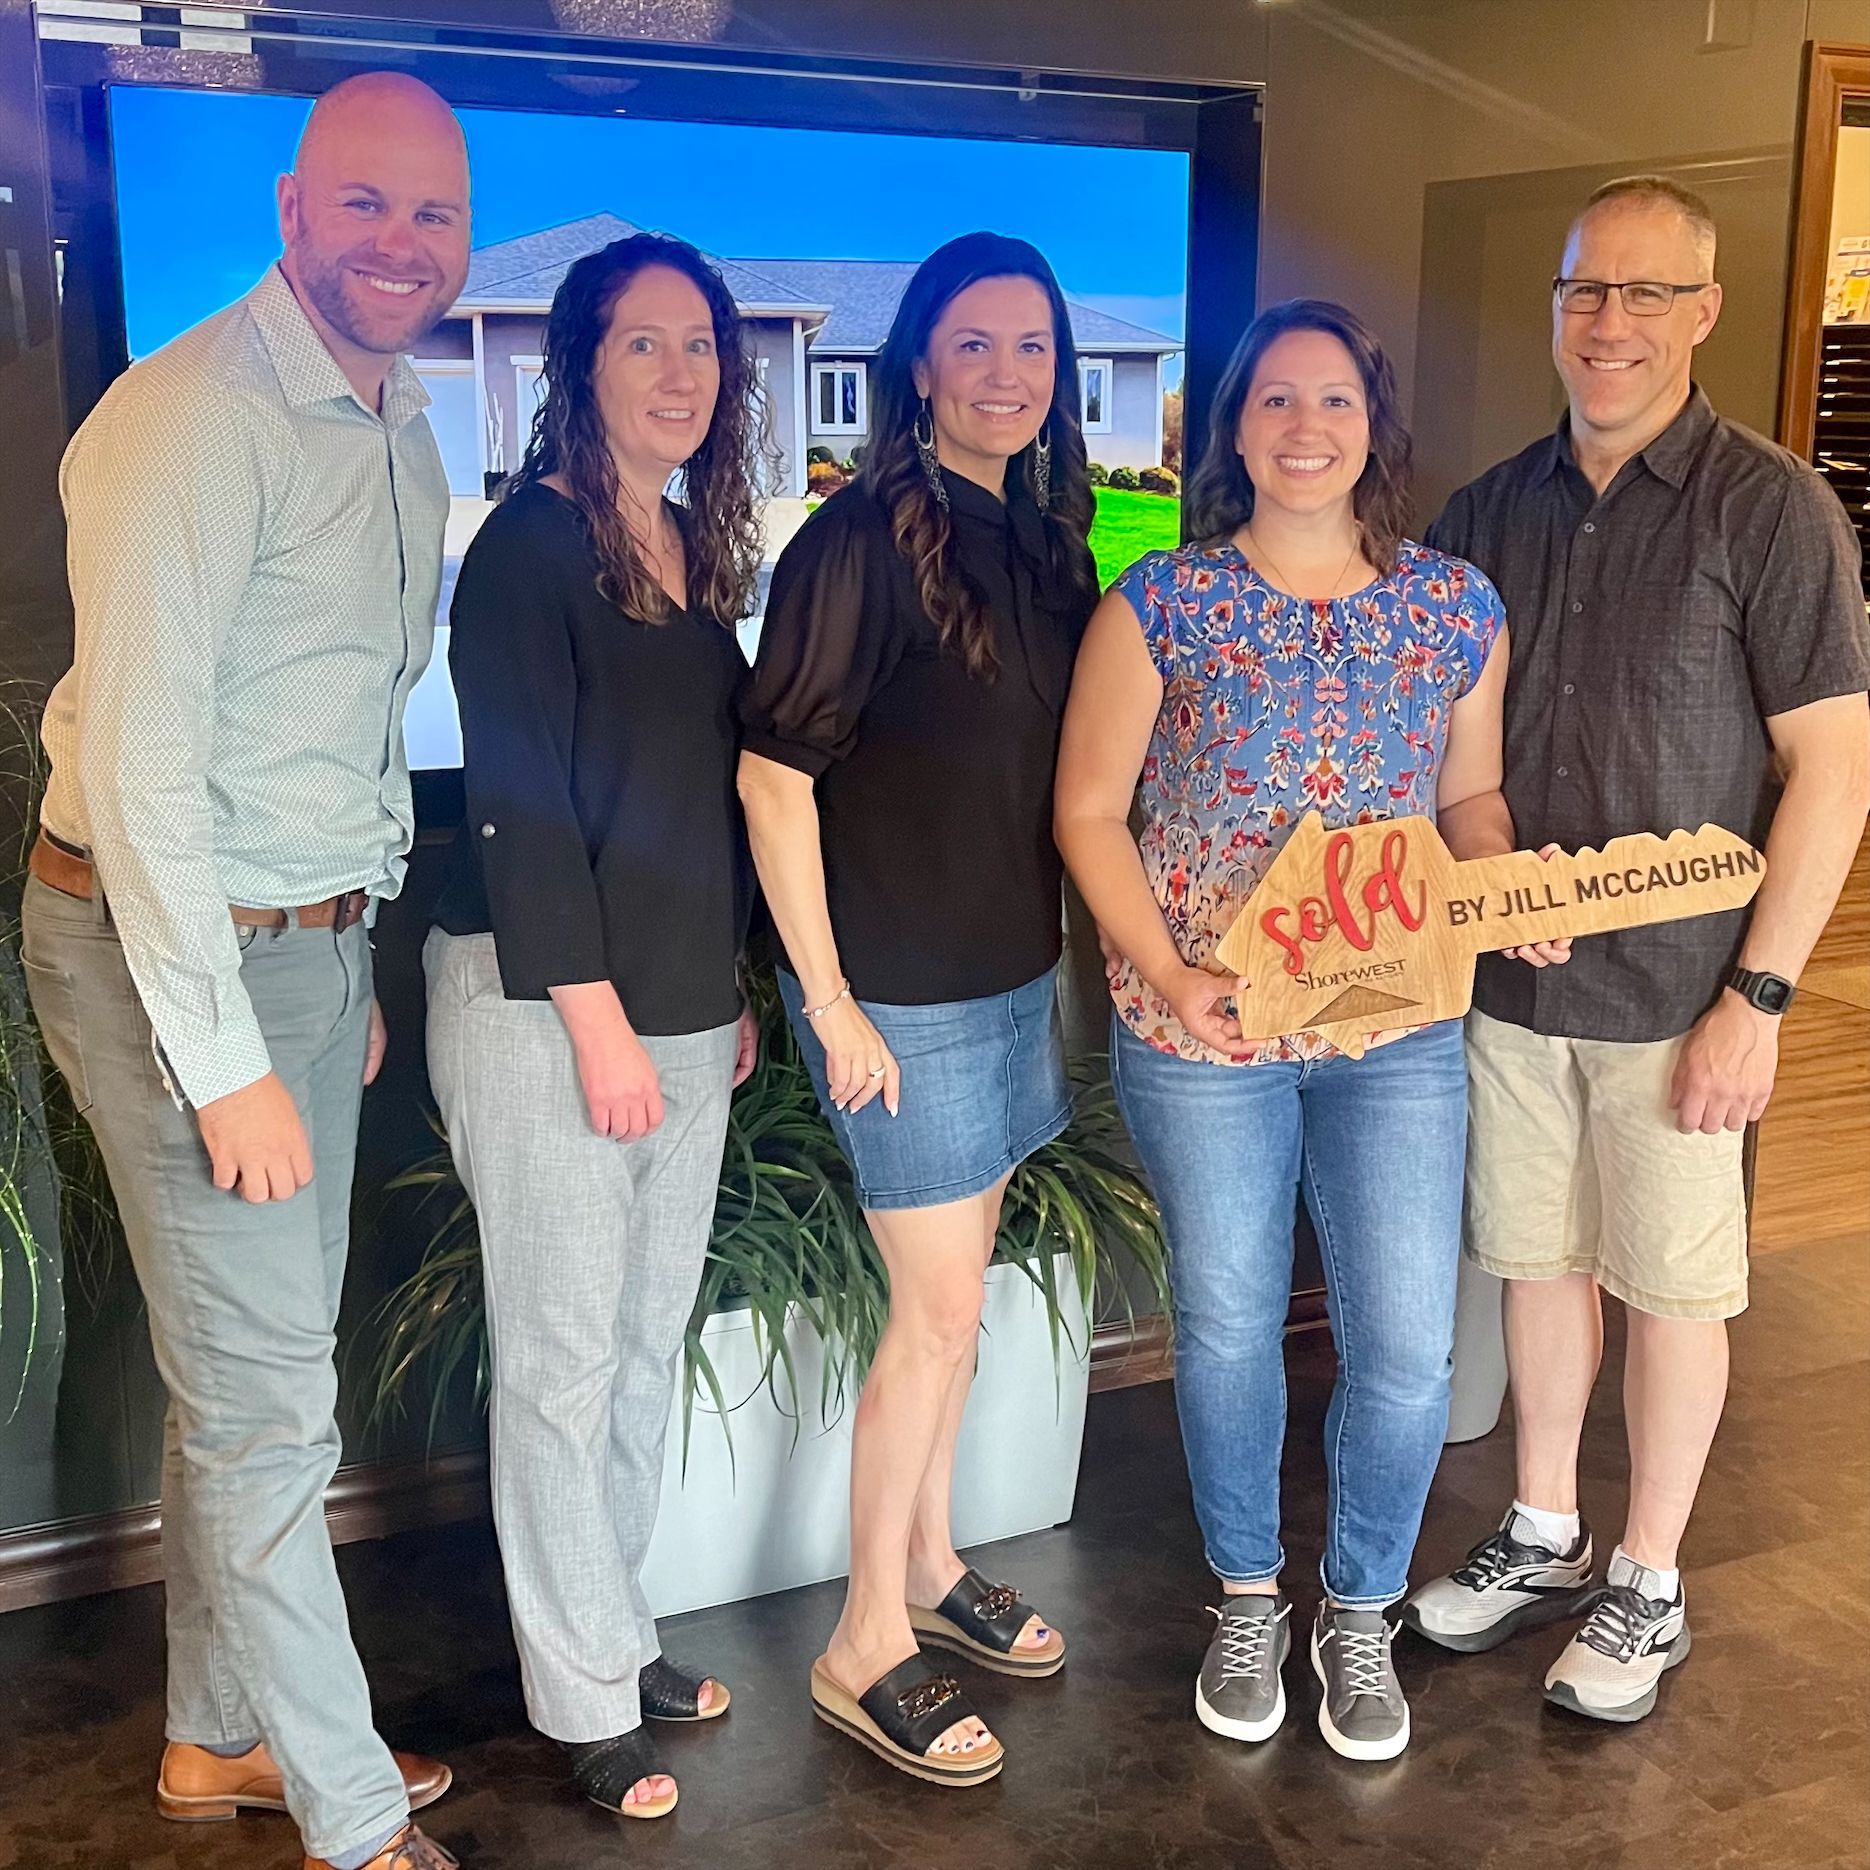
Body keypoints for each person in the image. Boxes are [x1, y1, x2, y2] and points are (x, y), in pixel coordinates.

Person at [23, 74, 470, 1870]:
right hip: (161, 957)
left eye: (433, 215)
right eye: (364, 208)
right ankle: (352, 1816)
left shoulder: (397, 414)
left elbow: (339, 721)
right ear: (292, 212)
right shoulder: (187, 418)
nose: (400, 246)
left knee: (255, 1387)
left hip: (301, 939)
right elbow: (140, 777)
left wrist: (343, 960)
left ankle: (219, 1743)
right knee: (275, 1399)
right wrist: (222, 1058)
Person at [1055, 298, 1562, 1763]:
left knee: (1403, 1346)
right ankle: (1243, 1595)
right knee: (1226, 1329)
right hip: (1198, 1023)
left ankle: (1355, 1606)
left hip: (1391, 1022)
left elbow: (1467, 800)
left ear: (1369, 425)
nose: (1302, 426)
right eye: (1272, 399)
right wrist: (1172, 966)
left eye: (1330, 400)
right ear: (1232, 427)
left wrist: (1496, 873)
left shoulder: (1453, 608)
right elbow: (1088, 812)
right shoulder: (1159, 603)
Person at [1402, 176, 1870, 1723]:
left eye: (1645, 293)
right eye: (1583, 292)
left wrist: (1759, 997)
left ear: (1703, 313)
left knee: (1674, 1286)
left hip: (1683, 997)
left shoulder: (1773, 508)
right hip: (1514, 988)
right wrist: (1480, 869)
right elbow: (1451, 761)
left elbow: (1834, 772)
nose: (1607, 322)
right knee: (1538, 1262)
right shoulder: (1484, 513)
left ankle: (1647, 1576)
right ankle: (1543, 1525)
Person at [736, 231, 1098, 1786]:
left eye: (1032, 346)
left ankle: (935, 1566)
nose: (1006, 373)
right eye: (974, 344)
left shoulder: (1049, 539)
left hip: (1012, 974)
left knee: (948, 1325)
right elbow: (772, 775)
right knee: (935, 1319)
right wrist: (830, 1002)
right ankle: (862, 1637)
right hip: (901, 993)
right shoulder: (856, 541)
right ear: (918, 369)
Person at [425, 232, 761, 1820]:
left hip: (684, 1009)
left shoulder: (695, 543)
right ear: (579, 364)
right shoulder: (527, 550)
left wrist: (725, 995)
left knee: (636, 1354)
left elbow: (696, 798)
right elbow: (522, 810)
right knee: (563, 1365)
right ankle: (579, 1700)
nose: (680, 370)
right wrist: (604, 1025)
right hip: (545, 1008)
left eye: (700, 344)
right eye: (644, 343)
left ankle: (613, 1632)